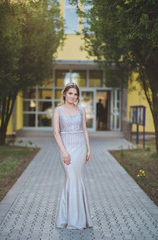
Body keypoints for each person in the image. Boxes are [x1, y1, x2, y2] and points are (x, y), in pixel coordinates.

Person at [53, 82, 93, 230]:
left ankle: (78, 219)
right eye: (70, 93)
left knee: (78, 181)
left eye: (75, 94)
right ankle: (73, 220)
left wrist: (89, 149)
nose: (73, 96)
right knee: (71, 180)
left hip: (80, 147)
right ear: (64, 94)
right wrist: (64, 151)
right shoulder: (58, 110)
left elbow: (85, 130)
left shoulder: (81, 109)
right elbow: (56, 132)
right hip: (67, 148)